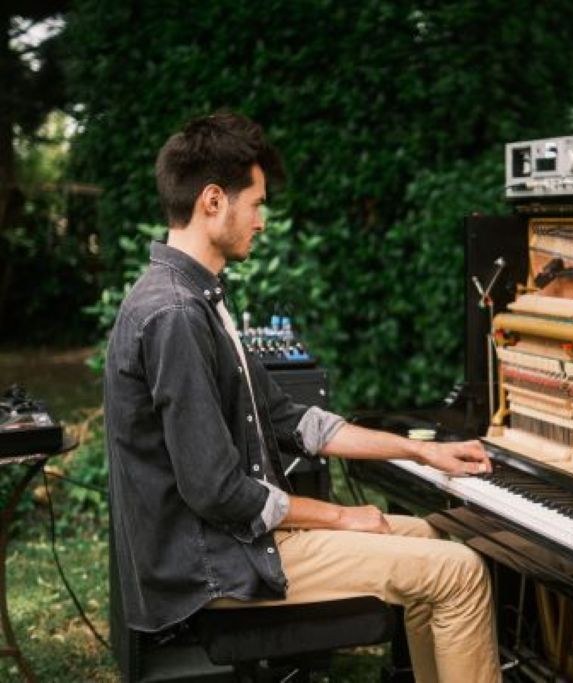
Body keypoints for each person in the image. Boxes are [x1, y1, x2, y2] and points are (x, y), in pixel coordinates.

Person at [103, 111, 502, 682]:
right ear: (213, 201)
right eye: (256, 203)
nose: (261, 221)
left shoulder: (199, 297)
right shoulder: (175, 313)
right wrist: (342, 516)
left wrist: (423, 453)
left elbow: (293, 419)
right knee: (458, 573)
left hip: (233, 539)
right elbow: (216, 490)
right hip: (217, 561)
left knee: (437, 534)